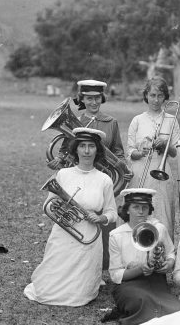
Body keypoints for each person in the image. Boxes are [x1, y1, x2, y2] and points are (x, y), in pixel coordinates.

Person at [24, 128, 117, 306]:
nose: (87, 151)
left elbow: (112, 212)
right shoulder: (63, 174)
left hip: (89, 239)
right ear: (76, 149)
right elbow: (49, 205)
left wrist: (101, 219)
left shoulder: (104, 179)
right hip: (64, 232)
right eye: (82, 146)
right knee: (46, 291)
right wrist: (65, 210)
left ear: (97, 150)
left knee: (80, 297)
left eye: (91, 146)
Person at [47, 79, 128, 270]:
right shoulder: (75, 122)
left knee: (103, 224)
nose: (93, 102)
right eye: (89, 98)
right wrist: (59, 159)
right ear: (82, 99)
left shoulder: (111, 122)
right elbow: (66, 150)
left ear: (102, 98)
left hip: (102, 180)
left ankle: (99, 269)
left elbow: (118, 150)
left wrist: (120, 163)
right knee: (77, 221)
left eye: (97, 98)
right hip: (79, 180)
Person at [106, 188, 180, 325]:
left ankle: (147, 316)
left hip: (155, 280)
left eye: (145, 207)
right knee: (141, 300)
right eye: (136, 207)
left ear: (149, 209)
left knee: (175, 308)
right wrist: (140, 269)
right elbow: (115, 275)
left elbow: (171, 253)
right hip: (129, 282)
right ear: (127, 210)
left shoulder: (158, 228)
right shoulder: (116, 235)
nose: (141, 211)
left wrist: (169, 264)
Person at [127, 77, 180, 240]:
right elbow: (130, 151)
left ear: (165, 98)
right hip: (140, 172)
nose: (156, 100)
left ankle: (164, 256)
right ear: (146, 96)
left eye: (160, 96)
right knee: (139, 213)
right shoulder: (137, 120)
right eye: (152, 95)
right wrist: (141, 152)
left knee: (162, 214)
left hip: (162, 175)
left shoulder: (172, 120)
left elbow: (175, 152)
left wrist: (165, 144)